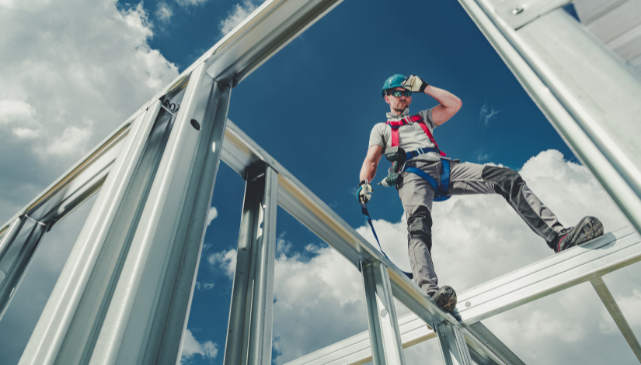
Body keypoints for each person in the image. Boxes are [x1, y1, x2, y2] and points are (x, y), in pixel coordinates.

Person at [357, 74, 604, 312]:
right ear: (387, 97)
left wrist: (425, 87)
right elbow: (372, 160)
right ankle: (429, 290)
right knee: (418, 224)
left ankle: (560, 237)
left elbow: (454, 104)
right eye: (398, 93)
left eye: (407, 93)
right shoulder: (382, 128)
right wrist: (364, 183)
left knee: (506, 178)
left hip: (444, 167)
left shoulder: (423, 118)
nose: (403, 97)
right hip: (412, 174)